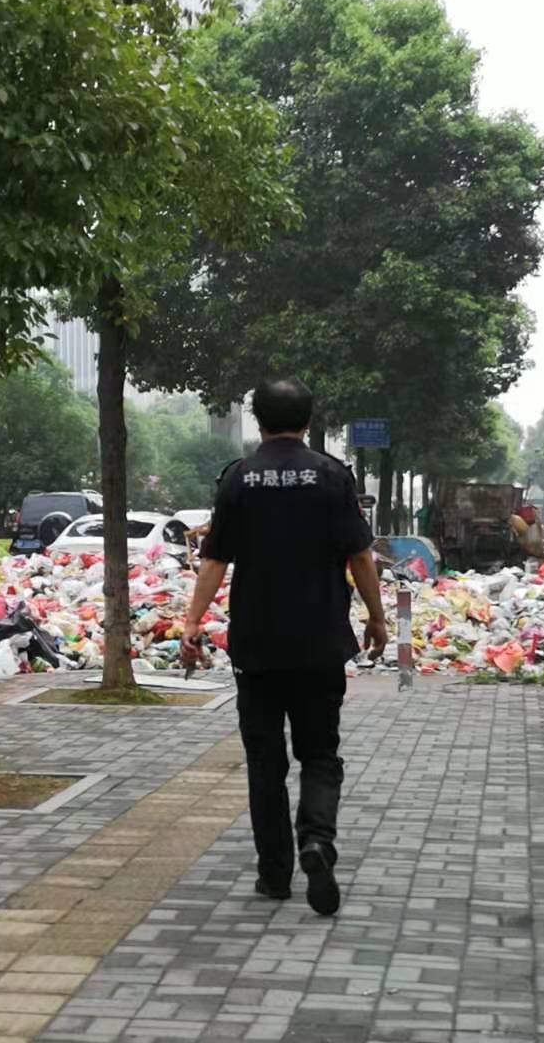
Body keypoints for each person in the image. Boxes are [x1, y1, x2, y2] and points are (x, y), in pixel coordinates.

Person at [182, 379, 388, 916]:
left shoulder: (238, 479)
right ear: (308, 419)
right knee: (320, 754)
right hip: (320, 642)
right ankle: (316, 840)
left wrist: (192, 622)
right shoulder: (332, 476)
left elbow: (214, 560)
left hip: (257, 645)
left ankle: (274, 875)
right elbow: (360, 556)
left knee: (265, 763)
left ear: (258, 420)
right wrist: (377, 617)